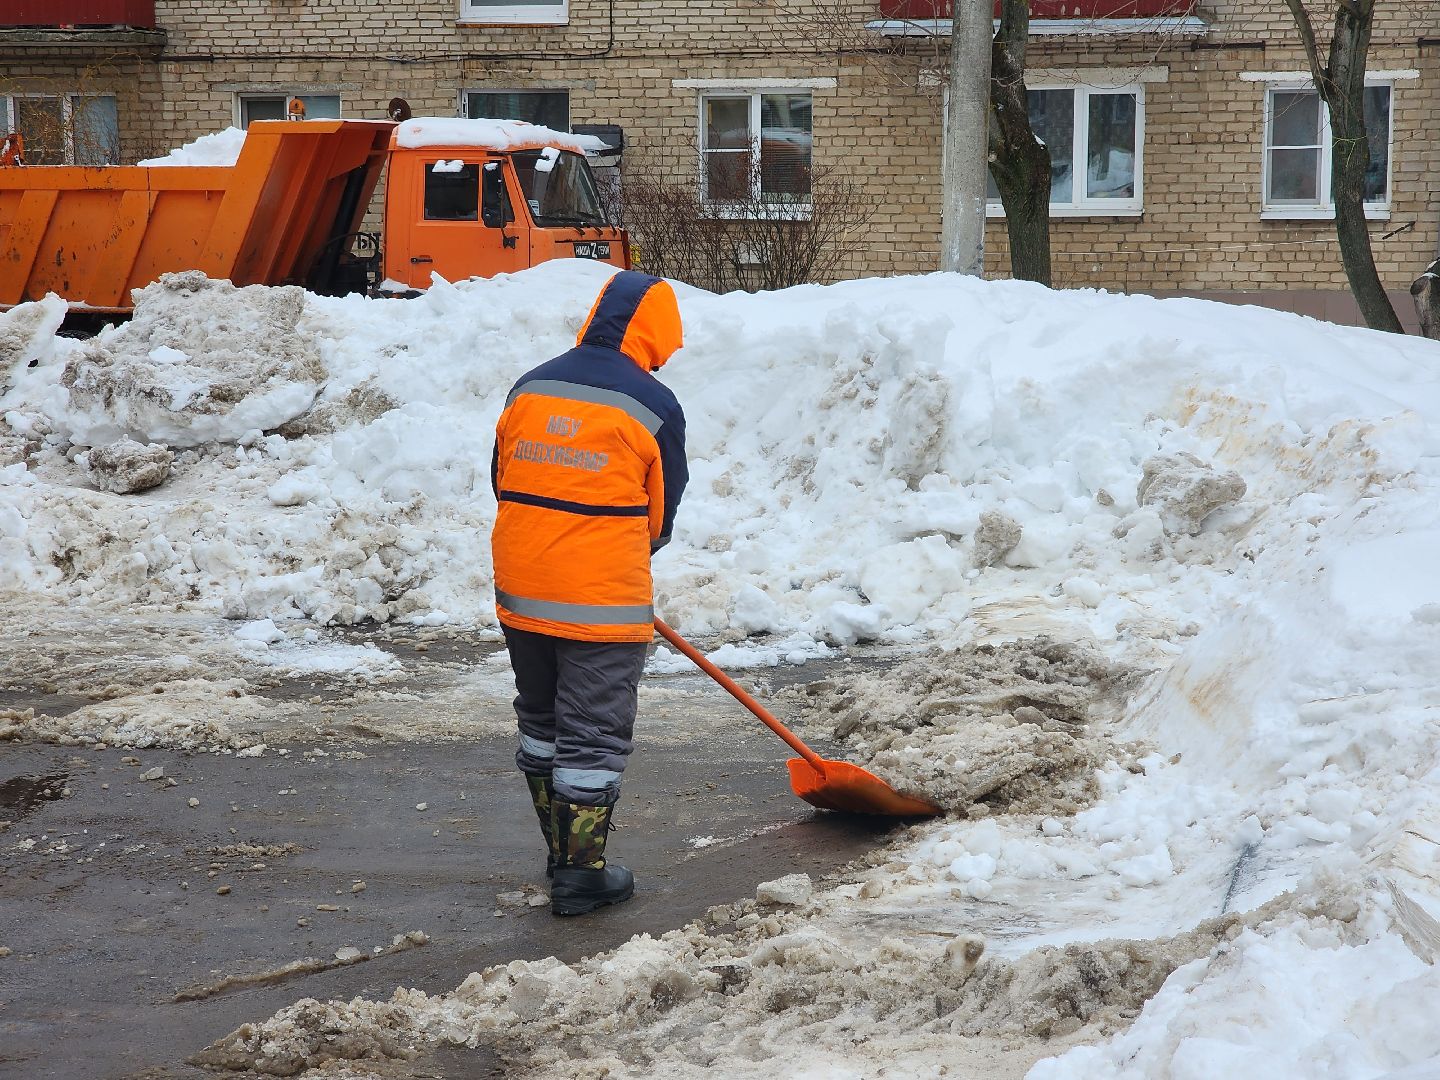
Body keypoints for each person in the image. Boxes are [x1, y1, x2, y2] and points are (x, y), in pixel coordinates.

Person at [490, 270, 687, 916]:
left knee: (543, 719)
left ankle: (560, 850)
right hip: (601, 602)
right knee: (594, 735)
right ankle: (582, 875)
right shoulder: (653, 406)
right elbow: (658, 521)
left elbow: (502, 477)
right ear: (657, 334)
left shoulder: (532, 385)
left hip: (522, 592)